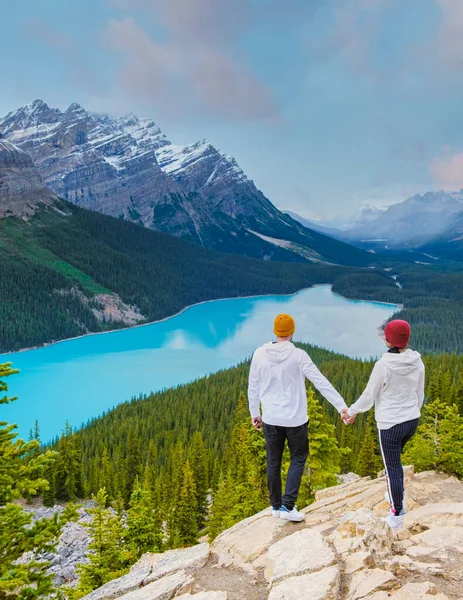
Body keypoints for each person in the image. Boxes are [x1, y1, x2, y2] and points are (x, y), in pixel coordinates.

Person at [248, 313, 348, 522]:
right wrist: (341, 406)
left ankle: (275, 506)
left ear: (275, 332)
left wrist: (255, 413)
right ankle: (287, 506)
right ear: (292, 332)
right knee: (298, 458)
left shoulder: (259, 354)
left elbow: (253, 386)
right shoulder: (299, 356)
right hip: (295, 420)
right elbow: (320, 382)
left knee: (273, 461)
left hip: (271, 418)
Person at [341, 319, 425, 530]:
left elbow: (369, 396)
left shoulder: (383, 366)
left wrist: (350, 412)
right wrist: (413, 412)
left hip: (390, 425)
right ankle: (395, 493)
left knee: (393, 469)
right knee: (394, 465)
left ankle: (396, 514)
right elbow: (419, 394)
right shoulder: (417, 361)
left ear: (388, 340)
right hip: (411, 421)